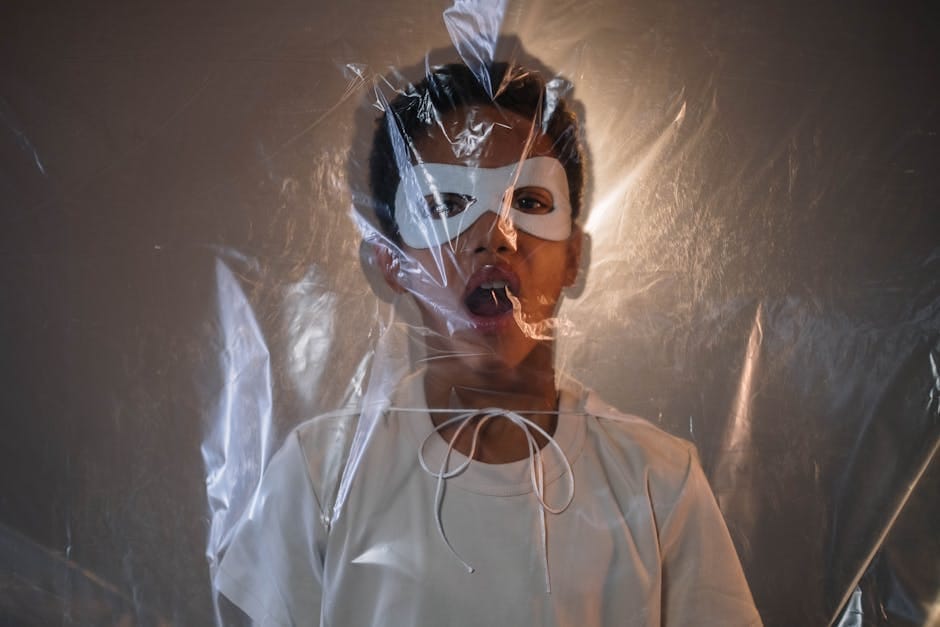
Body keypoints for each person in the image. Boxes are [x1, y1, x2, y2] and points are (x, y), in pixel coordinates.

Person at [214, 60, 762, 626]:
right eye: (443, 206)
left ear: (574, 254)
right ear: (391, 260)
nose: (492, 238)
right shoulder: (320, 475)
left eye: (528, 202)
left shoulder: (657, 482)